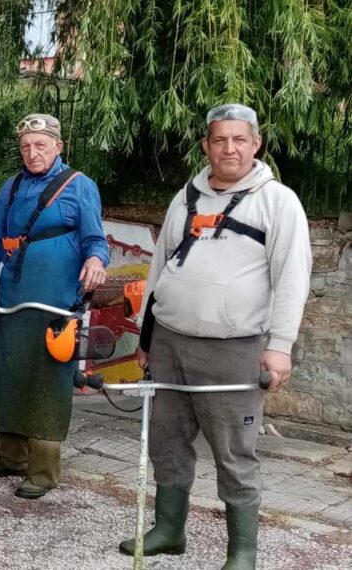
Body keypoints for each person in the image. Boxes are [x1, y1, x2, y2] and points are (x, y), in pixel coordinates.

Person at [119, 104, 311, 570]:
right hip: (169, 343)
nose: (229, 148)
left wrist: (280, 348)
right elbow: (160, 267)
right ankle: (169, 530)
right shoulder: (186, 196)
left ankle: (242, 553)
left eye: (239, 139)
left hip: (233, 350)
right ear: (206, 146)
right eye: (220, 139)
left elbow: (292, 278)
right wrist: (146, 338)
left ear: (256, 144)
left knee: (234, 452)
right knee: (166, 440)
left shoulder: (278, 202)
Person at [0, 113, 109, 499]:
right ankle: (10, 458)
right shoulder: (11, 187)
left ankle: (42, 472)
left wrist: (95, 261)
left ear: (58, 146)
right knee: (9, 375)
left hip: (56, 303)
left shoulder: (79, 185)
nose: (32, 152)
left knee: (48, 384)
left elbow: (95, 240)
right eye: (25, 146)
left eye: (40, 145)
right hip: (13, 299)